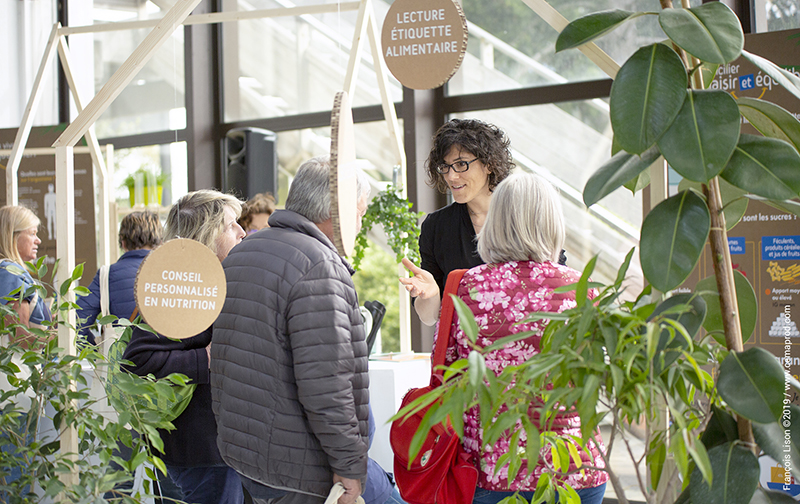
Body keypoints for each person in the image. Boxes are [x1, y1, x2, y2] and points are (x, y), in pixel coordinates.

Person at [212, 157, 402, 504]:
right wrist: (349, 470)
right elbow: (327, 385)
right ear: (338, 210)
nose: (360, 223)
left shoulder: (241, 255)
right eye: (359, 212)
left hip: (249, 456)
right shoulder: (318, 265)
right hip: (302, 470)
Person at [442, 173, 608, 504]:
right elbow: (595, 377)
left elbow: (449, 376)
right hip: (575, 469)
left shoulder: (464, 288)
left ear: (495, 221)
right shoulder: (583, 289)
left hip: (494, 471)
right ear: (551, 223)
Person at [121, 190, 246, 504]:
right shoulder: (181, 287)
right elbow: (137, 360)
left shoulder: (210, 282)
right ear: (207, 233)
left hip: (210, 446)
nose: (242, 232)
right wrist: (206, 359)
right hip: (197, 450)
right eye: (232, 225)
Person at [399, 118, 514, 326]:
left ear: (489, 164)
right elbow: (428, 317)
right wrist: (431, 294)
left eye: (461, 164)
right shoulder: (437, 226)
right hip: (464, 352)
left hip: (522, 346)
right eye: (445, 166)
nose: (451, 176)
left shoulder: (522, 215)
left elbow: (553, 280)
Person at [76, 210, 163, 346]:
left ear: (123, 243)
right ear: (159, 241)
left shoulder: (107, 275)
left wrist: (96, 349)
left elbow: (77, 324)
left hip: (123, 363)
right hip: (164, 361)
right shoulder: (169, 273)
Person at [0, 205, 50, 345]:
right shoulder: (12, 275)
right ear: (13, 236)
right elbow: (19, 338)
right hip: (18, 365)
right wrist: (58, 339)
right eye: (32, 233)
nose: (38, 240)